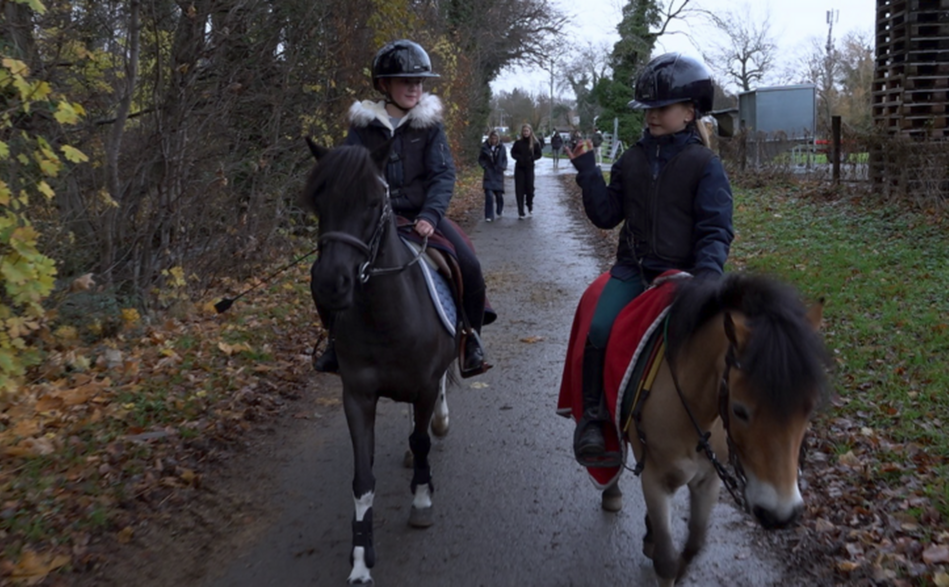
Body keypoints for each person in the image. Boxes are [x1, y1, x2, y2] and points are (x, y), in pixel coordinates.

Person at [563, 52, 734, 467]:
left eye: (661, 109)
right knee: (599, 328)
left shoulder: (705, 165)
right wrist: (587, 170)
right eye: (647, 110)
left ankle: (732, 432)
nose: (651, 117)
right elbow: (606, 215)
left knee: (723, 348)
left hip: (685, 277)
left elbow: (715, 229)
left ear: (689, 112)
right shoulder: (632, 160)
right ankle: (594, 420)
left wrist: (707, 278)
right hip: (632, 272)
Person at [312, 39, 490, 377]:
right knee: (323, 270)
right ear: (384, 85)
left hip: (421, 217)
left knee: (469, 264)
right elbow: (349, 178)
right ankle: (335, 340)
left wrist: (430, 216)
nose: (414, 88)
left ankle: (470, 339)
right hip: (371, 220)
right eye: (406, 81)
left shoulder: (430, 125)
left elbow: (442, 175)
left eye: (419, 82)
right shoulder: (362, 128)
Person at [510, 123, 543, 218]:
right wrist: (518, 158)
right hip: (519, 168)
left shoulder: (535, 143)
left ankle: (529, 204)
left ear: (530, 132)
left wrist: (532, 158)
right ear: (522, 132)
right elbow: (513, 153)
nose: (525, 133)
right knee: (519, 190)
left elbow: (539, 154)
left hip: (529, 168)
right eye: (524, 131)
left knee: (530, 188)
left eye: (527, 131)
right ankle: (520, 211)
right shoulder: (518, 143)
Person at [479, 130, 507, 222]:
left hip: (498, 173)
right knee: (489, 195)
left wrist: (503, 167)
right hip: (489, 173)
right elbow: (481, 159)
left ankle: (499, 209)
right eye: (492, 138)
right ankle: (489, 215)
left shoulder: (502, 147)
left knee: (499, 195)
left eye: (495, 138)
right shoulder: (485, 147)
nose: (494, 140)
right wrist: (485, 166)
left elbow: (504, 159)